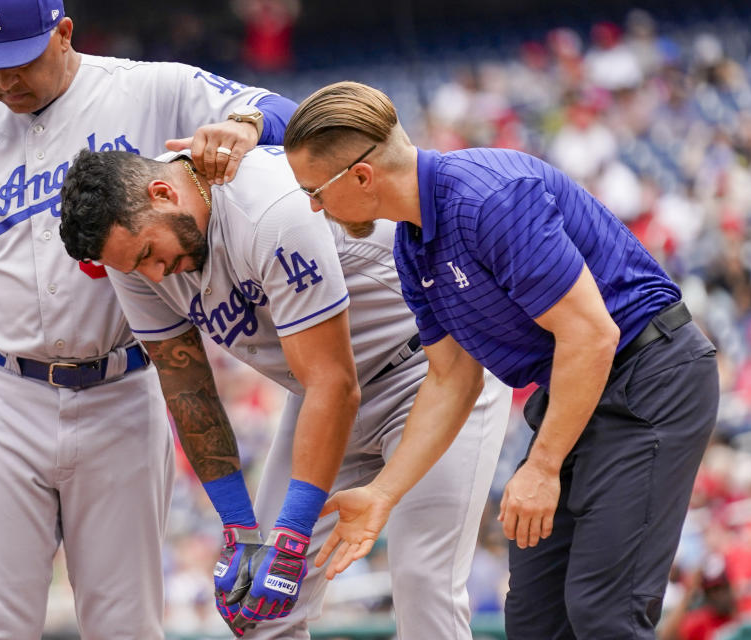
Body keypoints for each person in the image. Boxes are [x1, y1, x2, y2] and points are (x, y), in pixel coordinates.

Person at [0, 0, 298, 638]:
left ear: (64, 32)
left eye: (17, 59)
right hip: (2, 397)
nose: (2, 81)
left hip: (123, 390)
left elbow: (289, 114)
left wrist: (243, 124)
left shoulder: (147, 89)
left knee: (125, 624)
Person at [282, 81, 719, 639]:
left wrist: (541, 466)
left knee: (604, 614)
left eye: (315, 191)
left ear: (362, 177)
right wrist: (382, 493)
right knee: (535, 622)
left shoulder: (491, 198)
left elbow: (592, 336)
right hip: (574, 391)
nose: (314, 207)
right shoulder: (411, 246)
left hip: (650, 375)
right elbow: (450, 380)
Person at [57, 147, 511, 638]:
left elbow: (335, 383)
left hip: (431, 374)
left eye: (147, 253)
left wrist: (291, 536)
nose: (153, 273)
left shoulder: (267, 207)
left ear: (163, 193)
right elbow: (186, 383)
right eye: (133, 266)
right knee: (259, 609)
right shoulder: (136, 262)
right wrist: (238, 529)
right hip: (319, 397)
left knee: (424, 584)